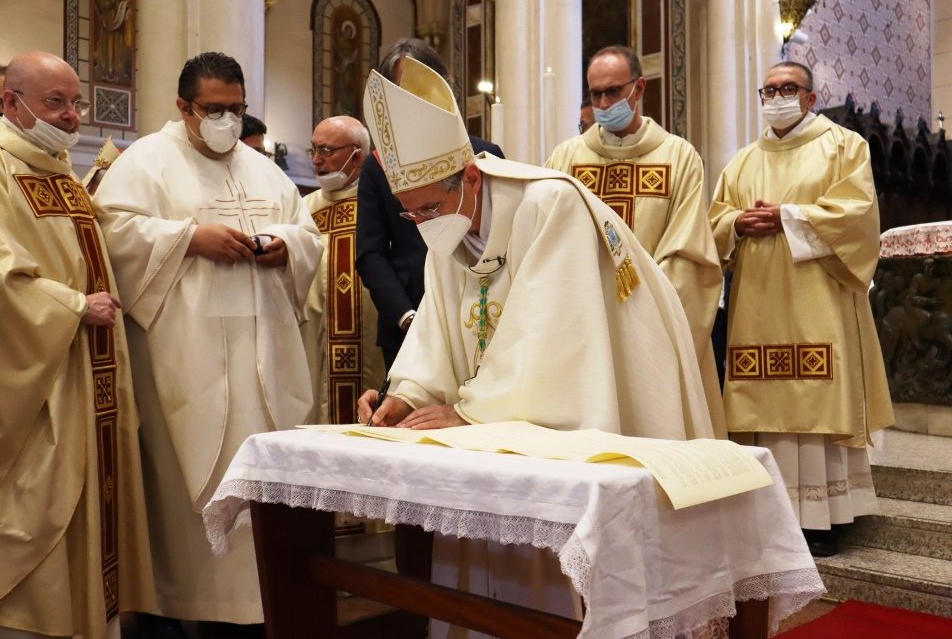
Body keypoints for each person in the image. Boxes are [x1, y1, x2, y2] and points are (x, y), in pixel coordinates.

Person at [355, 57, 716, 637]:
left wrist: (469, 412)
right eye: (410, 212)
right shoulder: (445, 225)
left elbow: (553, 337)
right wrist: (408, 393)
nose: (421, 224)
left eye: (428, 208)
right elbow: (439, 330)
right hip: (496, 429)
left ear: (470, 177)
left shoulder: (549, 204)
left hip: (582, 418)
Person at [93, 52, 323, 636]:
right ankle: (185, 607)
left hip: (266, 353)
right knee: (188, 489)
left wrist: (285, 247)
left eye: (235, 109)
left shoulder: (264, 169)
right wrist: (190, 239)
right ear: (183, 108)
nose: (225, 120)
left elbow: (308, 234)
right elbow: (111, 232)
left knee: (261, 488)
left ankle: (262, 603)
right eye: (212, 110)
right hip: (185, 365)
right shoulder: (146, 162)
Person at [0, 50, 155, 638]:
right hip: (18, 386)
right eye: (56, 102)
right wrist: (76, 305)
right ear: (11, 102)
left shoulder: (56, 170)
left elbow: (99, 246)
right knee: (25, 511)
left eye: (76, 102)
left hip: (81, 375)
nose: (73, 116)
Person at [709, 60, 894, 557]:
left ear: (810, 97)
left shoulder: (843, 146)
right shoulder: (743, 161)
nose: (776, 96)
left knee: (815, 400)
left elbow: (856, 216)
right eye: (768, 89)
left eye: (787, 88)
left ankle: (822, 517)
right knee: (764, 404)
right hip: (757, 304)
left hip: (819, 302)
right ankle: (767, 512)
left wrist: (787, 216)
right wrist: (738, 224)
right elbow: (715, 220)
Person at [547, 45, 726, 438]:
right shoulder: (566, 159)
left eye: (613, 92)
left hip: (651, 327)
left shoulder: (679, 157)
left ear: (639, 87)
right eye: (596, 95)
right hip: (585, 327)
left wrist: (643, 315)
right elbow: (547, 242)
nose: (604, 103)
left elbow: (688, 251)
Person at [356, 38, 504, 370]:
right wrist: (407, 316)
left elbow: (501, 237)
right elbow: (371, 252)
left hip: (479, 309)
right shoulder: (377, 165)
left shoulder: (485, 154)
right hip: (409, 314)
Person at [300, 115, 385, 424]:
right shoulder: (304, 209)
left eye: (326, 150)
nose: (316, 160)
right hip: (316, 336)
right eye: (313, 150)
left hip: (369, 338)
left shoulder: (380, 203)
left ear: (357, 155)